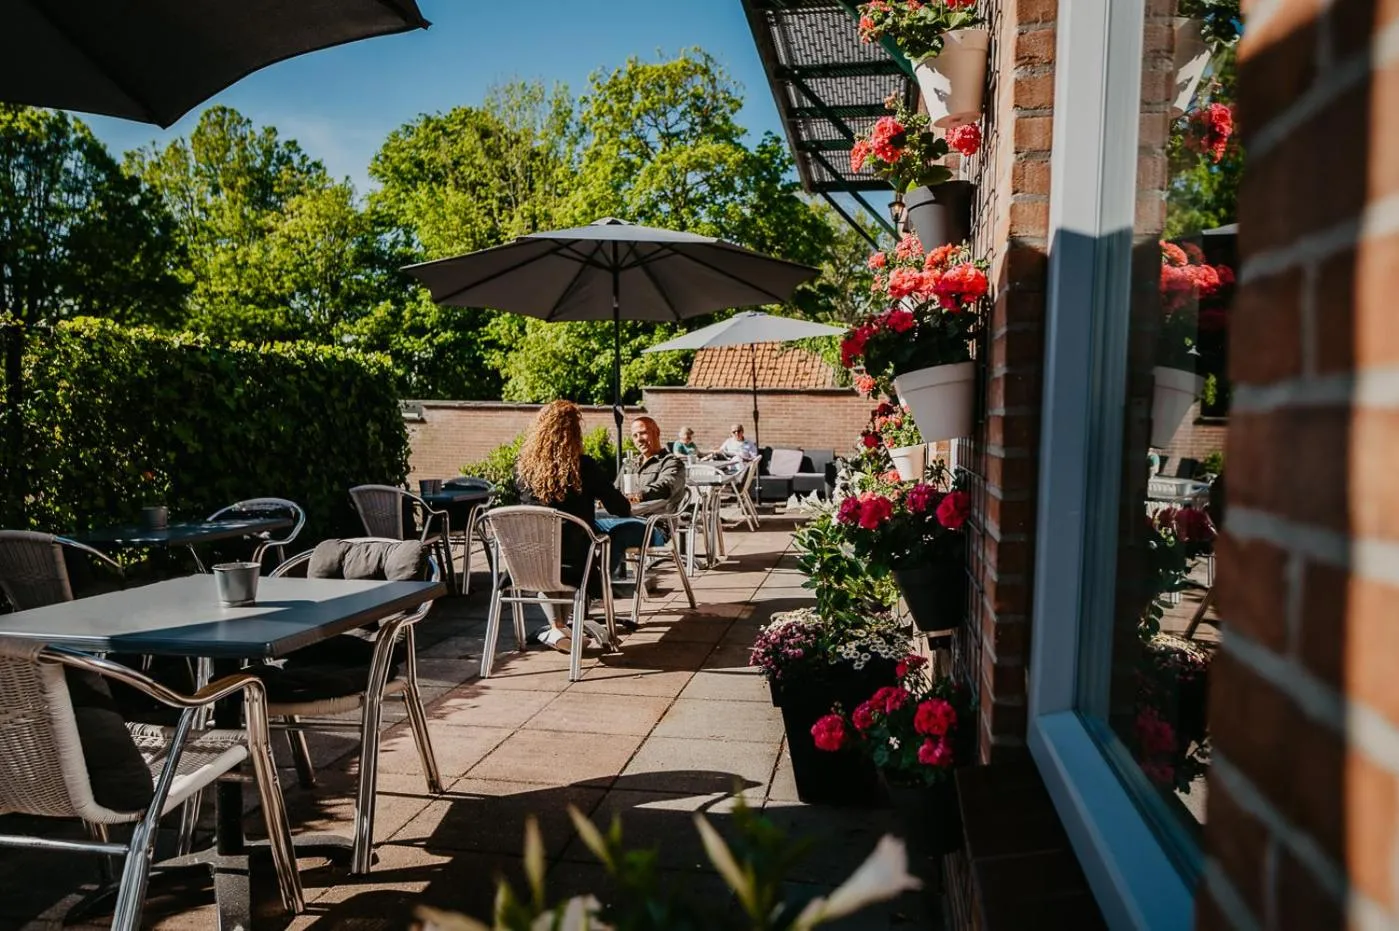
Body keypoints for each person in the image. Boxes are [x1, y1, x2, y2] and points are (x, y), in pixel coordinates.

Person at [515, 400, 630, 652]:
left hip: (528, 565)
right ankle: (560, 630)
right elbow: (621, 509)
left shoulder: (523, 470)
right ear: (575, 433)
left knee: (549, 560)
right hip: (576, 567)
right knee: (569, 555)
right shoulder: (584, 467)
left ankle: (559, 629)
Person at [597, 416, 686, 585]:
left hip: (656, 527)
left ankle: (595, 587)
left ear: (656, 432)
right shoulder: (631, 464)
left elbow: (665, 487)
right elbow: (614, 492)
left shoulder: (671, 463)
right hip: (623, 519)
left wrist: (637, 495)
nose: (639, 439)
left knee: (619, 534)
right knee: (585, 526)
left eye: (643, 433)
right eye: (635, 435)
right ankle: (581, 584)